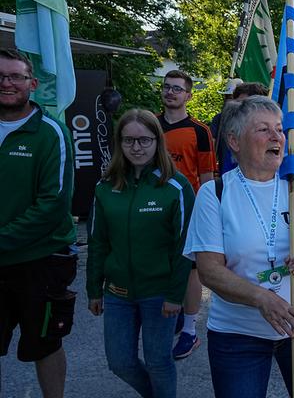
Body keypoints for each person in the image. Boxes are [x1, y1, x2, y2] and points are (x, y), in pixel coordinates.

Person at [184, 96, 294, 398]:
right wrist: (260, 298)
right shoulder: (214, 193)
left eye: (280, 129)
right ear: (234, 140)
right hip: (239, 333)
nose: (277, 137)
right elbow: (208, 270)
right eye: (263, 130)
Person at [87, 109, 195, 398]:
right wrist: (93, 289)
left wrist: (175, 296)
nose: (137, 148)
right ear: (119, 143)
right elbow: (97, 242)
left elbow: (184, 246)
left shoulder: (175, 186)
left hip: (159, 293)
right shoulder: (105, 187)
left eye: (144, 140)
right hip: (118, 291)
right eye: (129, 141)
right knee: (119, 362)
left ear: (157, 142)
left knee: (159, 362)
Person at [0, 49, 76, 398]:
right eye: (1, 76)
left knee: (44, 344)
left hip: (40, 261)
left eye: (15, 76)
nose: (6, 83)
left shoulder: (51, 133)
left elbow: (53, 204)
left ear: (31, 84)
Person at [157, 69, 215, 359]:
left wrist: (209, 215)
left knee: (191, 270)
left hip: (188, 209)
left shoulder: (200, 131)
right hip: (154, 209)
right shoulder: (150, 126)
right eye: (167, 87)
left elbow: (206, 177)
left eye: (177, 89)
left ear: (188, 95)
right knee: (165, 265)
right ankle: (175, 309)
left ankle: (190, 331)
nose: (170, 92)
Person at [212, 82, 267, 176]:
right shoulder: (222, 119)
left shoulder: (270, 130)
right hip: (228, 182)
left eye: (246, 104)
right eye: (238, 103)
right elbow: (211, 149)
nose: (241, 108)